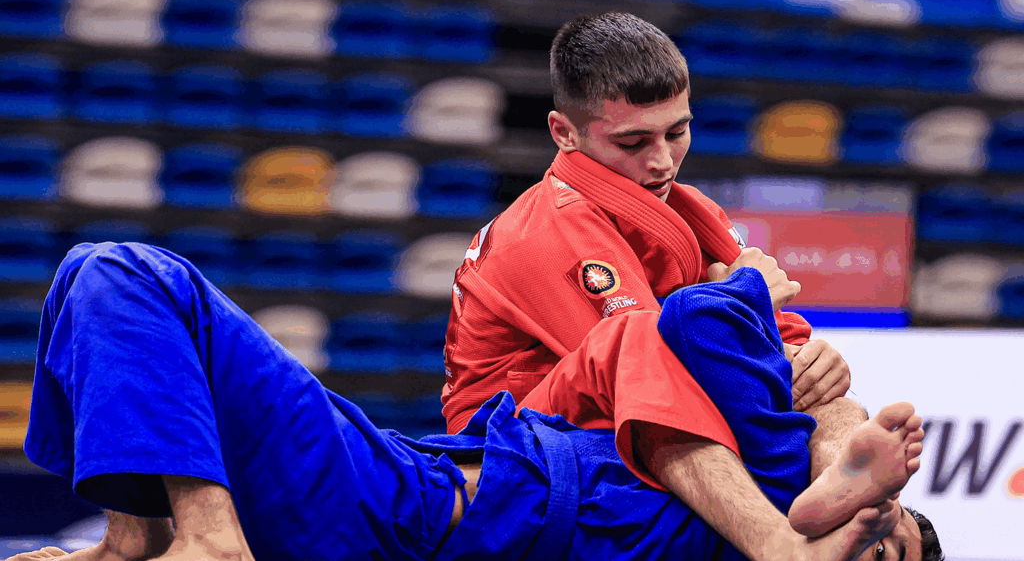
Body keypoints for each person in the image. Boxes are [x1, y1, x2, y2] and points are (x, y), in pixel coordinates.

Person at [8, 242, 941, 561]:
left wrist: (754, 292)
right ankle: (139, 537)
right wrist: (823, 409)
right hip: (410, 480)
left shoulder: (756, 507)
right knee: (90, 285)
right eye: (881, 529)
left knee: (124, 274)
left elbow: (702, 318)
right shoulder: (747, 489)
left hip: (407, 510)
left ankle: (205, 538)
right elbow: (695, 329)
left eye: (876, 552)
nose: (866, 537)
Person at [442, 12, 865, 559]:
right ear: (564, 133)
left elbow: (779, 343)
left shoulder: (692, 210)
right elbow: (651, 362)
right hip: (515, 438)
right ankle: (775, 544)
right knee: (640, 342)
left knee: (833, 397)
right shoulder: (546, 228)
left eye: (677, 132)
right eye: (633, 141)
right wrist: (744, 297)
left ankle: (837, 499)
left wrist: (812, 360)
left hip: (617, 411)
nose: (662, 161)